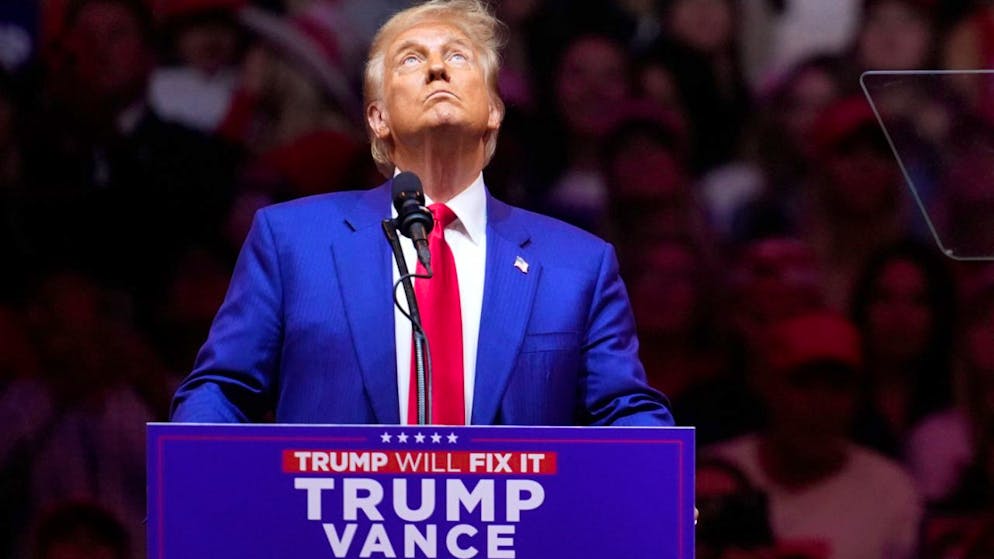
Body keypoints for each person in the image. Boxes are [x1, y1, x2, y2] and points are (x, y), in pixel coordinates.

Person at [171, 0, 674, 427]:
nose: (437, 69)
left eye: (457, 56)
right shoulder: (291, 242)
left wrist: (661, 479)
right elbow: (222, 390)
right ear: (378, 117)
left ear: (495, 109)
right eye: (411, 60)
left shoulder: (578, 266)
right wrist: (193, 472)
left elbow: (625, 412)